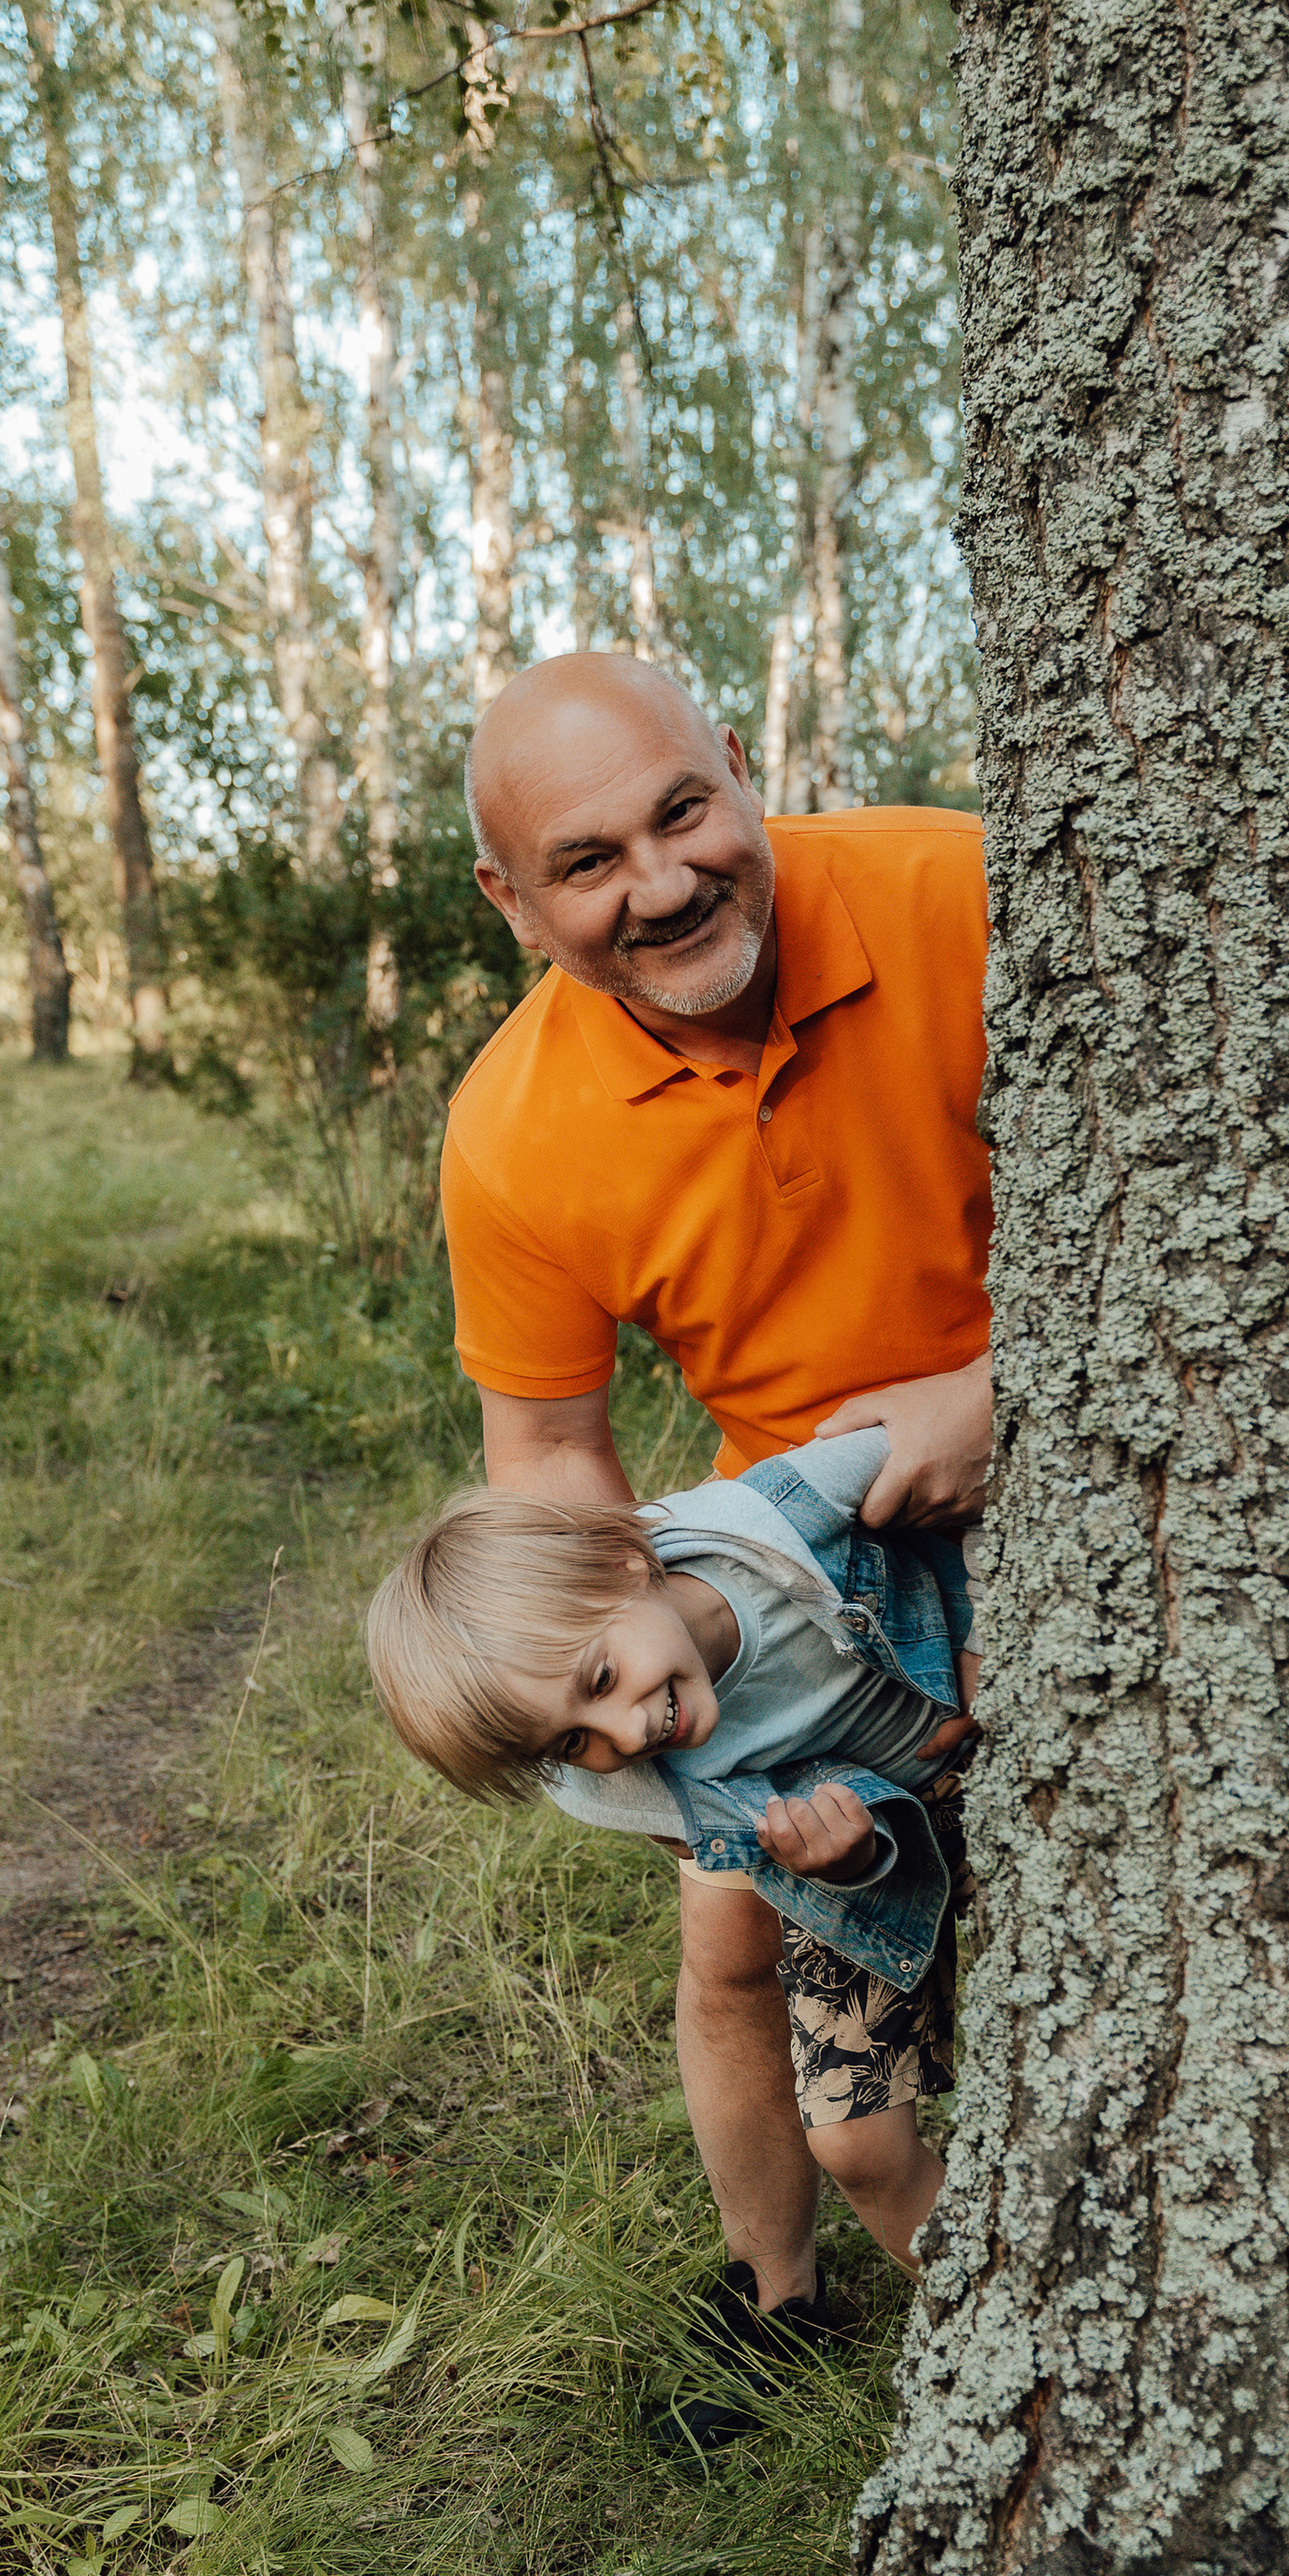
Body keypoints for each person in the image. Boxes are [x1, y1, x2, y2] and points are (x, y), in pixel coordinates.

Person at [438, 648, 991, 2412]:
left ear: (744, 768)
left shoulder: (959, 889)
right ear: (513, 904)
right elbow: (540, 1449)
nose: (664, 882)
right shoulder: (512, 1133)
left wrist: (1011, 1393)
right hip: (788, 1557)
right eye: (588, 861)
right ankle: (775, 2297)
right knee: (727, 1937)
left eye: (685, 811)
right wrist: (660, 1639)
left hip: (1093, 1453)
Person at [367, 1424, 979, 2299]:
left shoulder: (778, 1518)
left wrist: (989, 1648)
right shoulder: (609, 1785)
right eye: (573, 1739)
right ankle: (1008, 2330)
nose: (628, 1733)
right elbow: (736, 1843)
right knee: (855, 2142)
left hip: (1006, 1759)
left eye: (602, 1677)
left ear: (623, 1563)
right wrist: (842, 1862)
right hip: (870, 1866)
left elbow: (984, 1482)